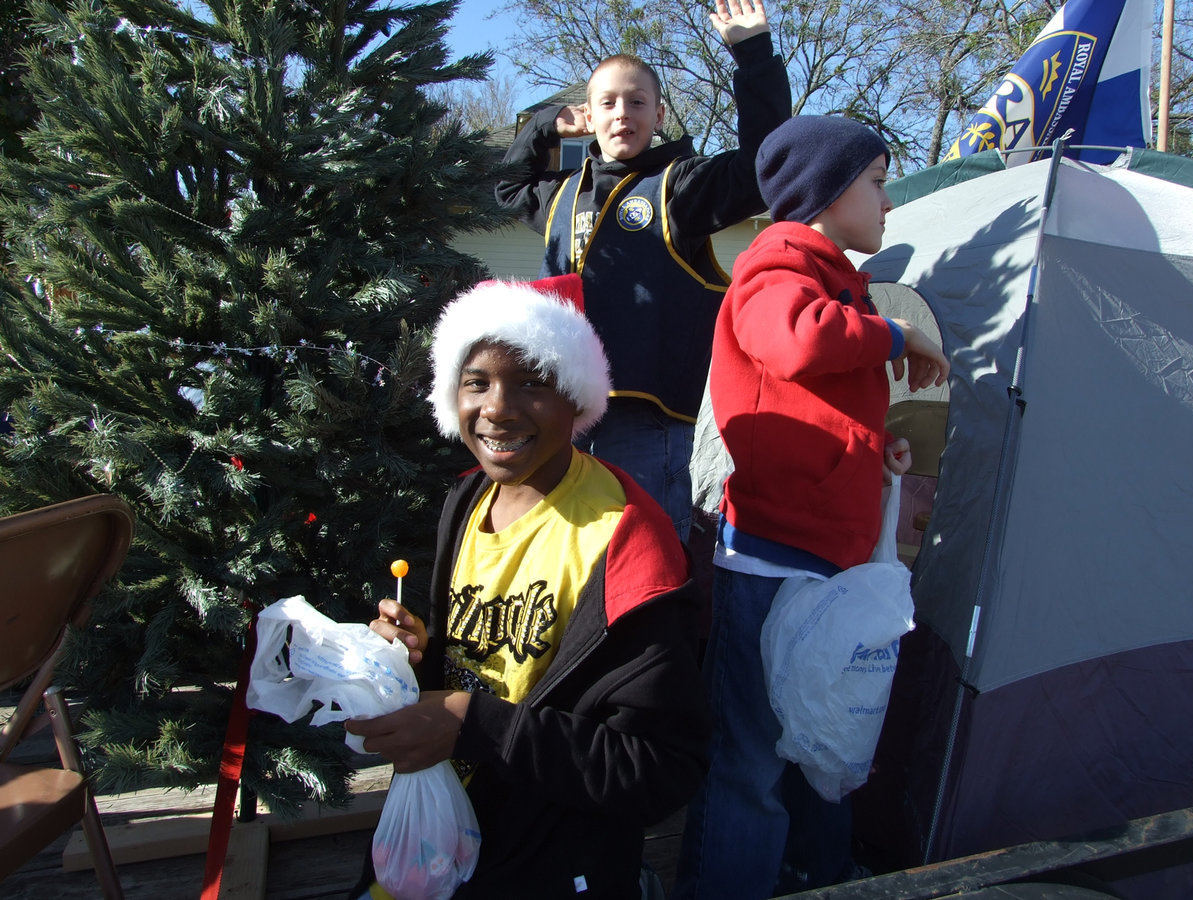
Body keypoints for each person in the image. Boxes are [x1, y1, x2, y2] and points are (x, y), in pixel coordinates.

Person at [345, 274, 709, 899]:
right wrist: (416, 656)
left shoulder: (627, 545)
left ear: (576, 396)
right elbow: (470, 667)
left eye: (533, 382)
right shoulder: (467, 498)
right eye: (477, 382)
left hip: (548, 866)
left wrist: (474, 724)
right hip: (441, 837)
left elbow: (657, 769)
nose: (498, 408)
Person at [671, 115, 950, 900]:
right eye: (878, 182)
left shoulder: (834, 279)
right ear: (826, 191)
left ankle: (816, 874)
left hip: (828, 555)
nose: (889, 202)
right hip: (773, 556)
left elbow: (813, 404)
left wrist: (874, 452)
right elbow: (795, 341)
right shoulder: (777, 262)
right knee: (752, 755)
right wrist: (895, 333)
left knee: (816, 734)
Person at [494, 0, 791, 541]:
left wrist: (753, 53)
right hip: (558, 412)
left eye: (637, 101)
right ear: (589, 116)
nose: (622, 113)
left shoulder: (680, 187)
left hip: (646, 419)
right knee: (563, 551)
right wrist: (545, 124)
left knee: (648, 553)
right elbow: (510, 186)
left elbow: (762, 166)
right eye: (607, 103)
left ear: (659, 115)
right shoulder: (563, 196)